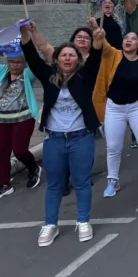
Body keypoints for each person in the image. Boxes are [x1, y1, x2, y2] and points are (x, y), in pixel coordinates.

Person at [20, 22, 104, 248]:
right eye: (63, 55)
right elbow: (32, 57)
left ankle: (83, 221)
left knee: (82, 182)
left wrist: (97, 40)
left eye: (72, 55)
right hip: (55, 139)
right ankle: (50, 224)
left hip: (81, 137)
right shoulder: (48, 76)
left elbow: (96, 58)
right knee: (55, 184)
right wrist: (26, 34)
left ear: (78, 59)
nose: (67, 59)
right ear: (56, 59)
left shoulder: (85, 77)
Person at [92, 28, 138, 198]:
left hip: (136, 107)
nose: (128, 40)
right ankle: (113, 180)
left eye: (133, 39)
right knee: (113, 146)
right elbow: (103, 44)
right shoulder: (113, 55)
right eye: (126, 38)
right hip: (114, 107)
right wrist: (96, 30)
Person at [0, 39, 40, 199]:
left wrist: (29, 45)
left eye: (19, 62)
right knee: (2, 153)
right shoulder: (1, 71)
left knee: (20, 150)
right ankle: (5, 184)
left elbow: (37, 64)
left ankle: (33, 168)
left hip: (23, 119)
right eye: (12, 62)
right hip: (0, 121)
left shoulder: (28, 75)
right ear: (7, 62)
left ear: (23, 63)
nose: (15, 65)